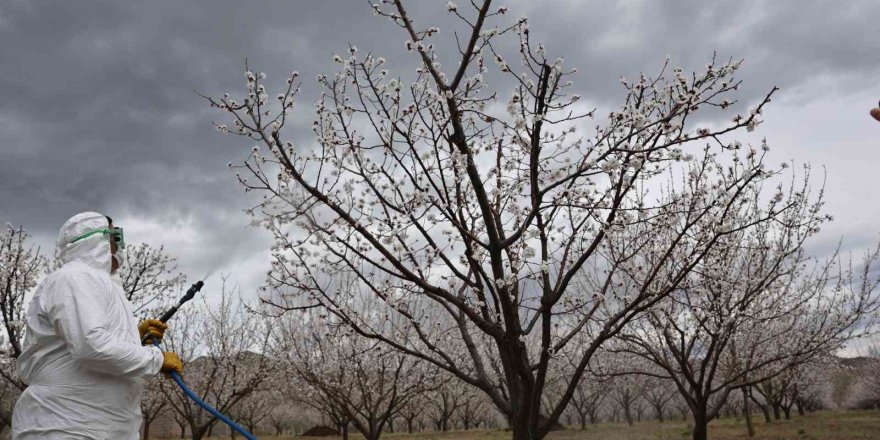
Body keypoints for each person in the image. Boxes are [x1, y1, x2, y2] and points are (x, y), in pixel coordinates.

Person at [11, 212, 183, 439]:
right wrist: (156, 359)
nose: (119, 246)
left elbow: (87, 340)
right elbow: (91, 346)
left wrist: (134, 337)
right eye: (114, 237)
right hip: (66, 424)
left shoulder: (101, 283)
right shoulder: (74, 278)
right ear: (96, 238)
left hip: (103, 426)